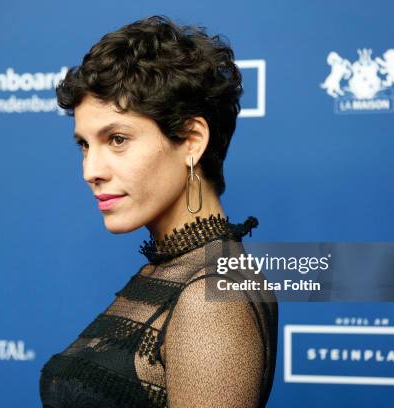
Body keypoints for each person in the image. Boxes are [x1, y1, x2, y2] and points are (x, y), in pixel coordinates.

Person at [40, 15, 278, 407]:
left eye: (117, 139)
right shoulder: (173, 266)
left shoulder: (209, 297)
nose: (91, 171)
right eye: (84, 145)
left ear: (191, 140)